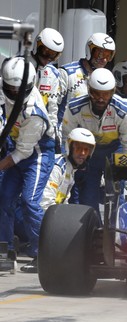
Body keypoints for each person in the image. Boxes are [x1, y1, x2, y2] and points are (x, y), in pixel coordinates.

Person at [61, 68, 127, 213]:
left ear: (113, 91)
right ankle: (91, 228)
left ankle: (116, 228)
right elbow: (66, 138)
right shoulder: (74, 108)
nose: (101, 98)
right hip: (89, 151)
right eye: (96, 93)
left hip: (115, 150)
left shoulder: (125, 110)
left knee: (116, 192)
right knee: (88, 195)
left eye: (106, 94)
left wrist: (125, 169)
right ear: (89, 89)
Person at [0, 57, 55, 263]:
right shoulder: (2, 87)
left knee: (29, 201)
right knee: (4, 199)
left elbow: (23, 153)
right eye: (9, 88)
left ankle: (45, 254)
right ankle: (4, 249)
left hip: (37, 153)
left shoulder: (34, 113)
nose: (13, 92)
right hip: (15, 146)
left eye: (18, 89)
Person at [20, 128, 96, 273]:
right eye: (78, 148)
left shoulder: (70, 169)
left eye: (86, 150)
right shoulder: (57, 166)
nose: (82, 154)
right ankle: (39, 257)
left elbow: (62, 204)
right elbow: (44, 203)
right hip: (28, 216)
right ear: (69, 147)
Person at [58, 32, 116, 127]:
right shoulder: (67, 73)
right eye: (100, 54)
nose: (104, 59)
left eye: (108, 55)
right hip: (66, 132)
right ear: (90, 51)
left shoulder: (107, 79)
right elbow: (52, 106)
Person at [31, 28, 64, 147]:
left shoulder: (53, 73)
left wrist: (53, 131)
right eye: (46, 51)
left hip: (40, 129)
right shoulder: (19, 64)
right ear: (37, 45)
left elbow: (52, 106)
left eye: (53, 54)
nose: (48, 57)